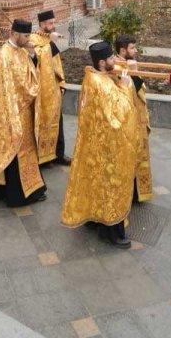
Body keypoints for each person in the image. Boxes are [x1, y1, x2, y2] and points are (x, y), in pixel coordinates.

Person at [61, 41, 149, 247]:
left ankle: (94, 218)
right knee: (111, 187)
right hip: (109, 148)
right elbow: (117, 118)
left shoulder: (93, 76)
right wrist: (126, 88)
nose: (115, 61)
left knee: (95, 183)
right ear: (102, 62)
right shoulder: (100, 84)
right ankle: (111, 232)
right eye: (111, 59)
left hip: (96, 145)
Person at [0, 19, 46, 207]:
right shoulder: (4, 56)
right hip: (10, 112)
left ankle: (25, 188)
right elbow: (6, 89)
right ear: (15, 34)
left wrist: (33, 56)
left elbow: (30, 73)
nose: (28, 39)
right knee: (12, 150)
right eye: (25, 36)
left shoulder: (21, 51)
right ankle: (15, 194)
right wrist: (17, 107)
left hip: (23, 110)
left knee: (25, 151)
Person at [112, 34, 153, 201]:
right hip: (127, 120)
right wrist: (135, 73)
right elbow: (129, 93)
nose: (135, 51)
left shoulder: (127, 63)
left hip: (136, 117)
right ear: (122, 50)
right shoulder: (116, 67)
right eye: (132, 48)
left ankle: (137, 191)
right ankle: (129, 193)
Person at [30, 9, 69, 165]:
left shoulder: (49, 38)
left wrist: (62, 82)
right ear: (42, 24)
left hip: (53, 88)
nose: (54, 26)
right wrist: (50, 44)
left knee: (58, 121)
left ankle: (58, 154)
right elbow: (36, 57)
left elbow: (57, 62)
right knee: (42, 123)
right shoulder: (33, 38)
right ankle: (44, 157)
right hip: (41, 89)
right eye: (51, 23)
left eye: (54, 22)